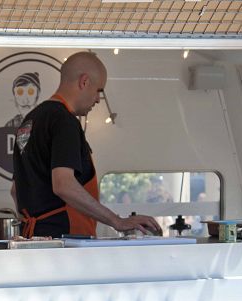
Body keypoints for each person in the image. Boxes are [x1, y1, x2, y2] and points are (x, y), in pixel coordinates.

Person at [10, 52, 161, 238]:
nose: (98, 99)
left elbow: (16, 191)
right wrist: (117, 221)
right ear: (84, 81)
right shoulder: (64, 121)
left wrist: (37, 231)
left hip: (32, 240)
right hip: (65, 242)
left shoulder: (30, 120)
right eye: (99, 90)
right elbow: (63, 184)